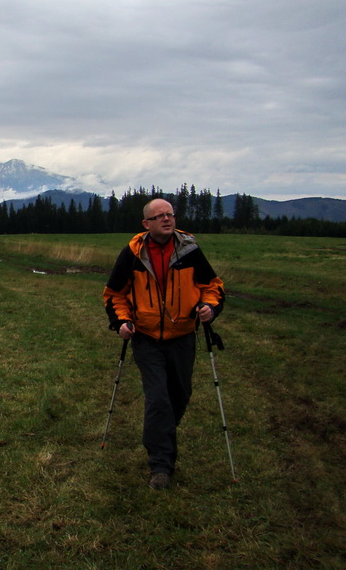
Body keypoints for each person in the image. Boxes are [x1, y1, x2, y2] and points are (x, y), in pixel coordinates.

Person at [102, 198, 225, 489]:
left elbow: (213, 287)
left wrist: (210, 307)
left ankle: (161, 435)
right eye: (159, 216)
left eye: (170, 214)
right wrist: (121, 322)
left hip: (182, 337)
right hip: (146, 339)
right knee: (158, 398)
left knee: (179, 396)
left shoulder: (189, 250)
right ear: (147, 224)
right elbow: (114, 294)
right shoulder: (133, 254)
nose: (167, 219)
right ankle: (161, 465)